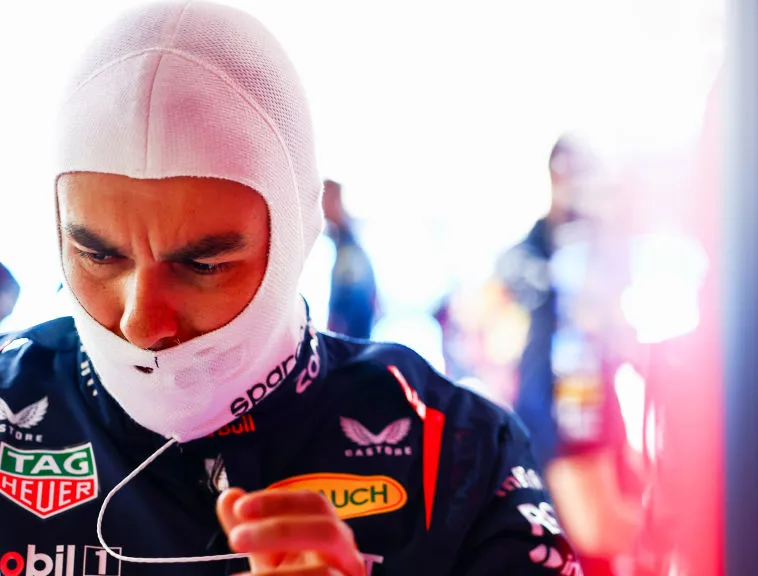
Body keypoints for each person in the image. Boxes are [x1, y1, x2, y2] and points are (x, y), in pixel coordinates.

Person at [0, 3, 578, 575]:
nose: (140, 321)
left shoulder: (458, 453)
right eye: (97, 255)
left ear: (296, 235)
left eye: (204, 265)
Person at [498, 135, 643, 576]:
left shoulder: (604, 247)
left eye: (584, 174)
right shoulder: (525, 254)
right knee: (547, 543)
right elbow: (494, 332)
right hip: (542, 418)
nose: (576, 184)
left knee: (601, 547)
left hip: (595, 420)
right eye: (568, 173)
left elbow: (618, 326)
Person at [322, 178, 377, 339]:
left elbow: (353, 290)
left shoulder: (349, 240)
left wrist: (336, 323)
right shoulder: (337, 237)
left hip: (350, 329)